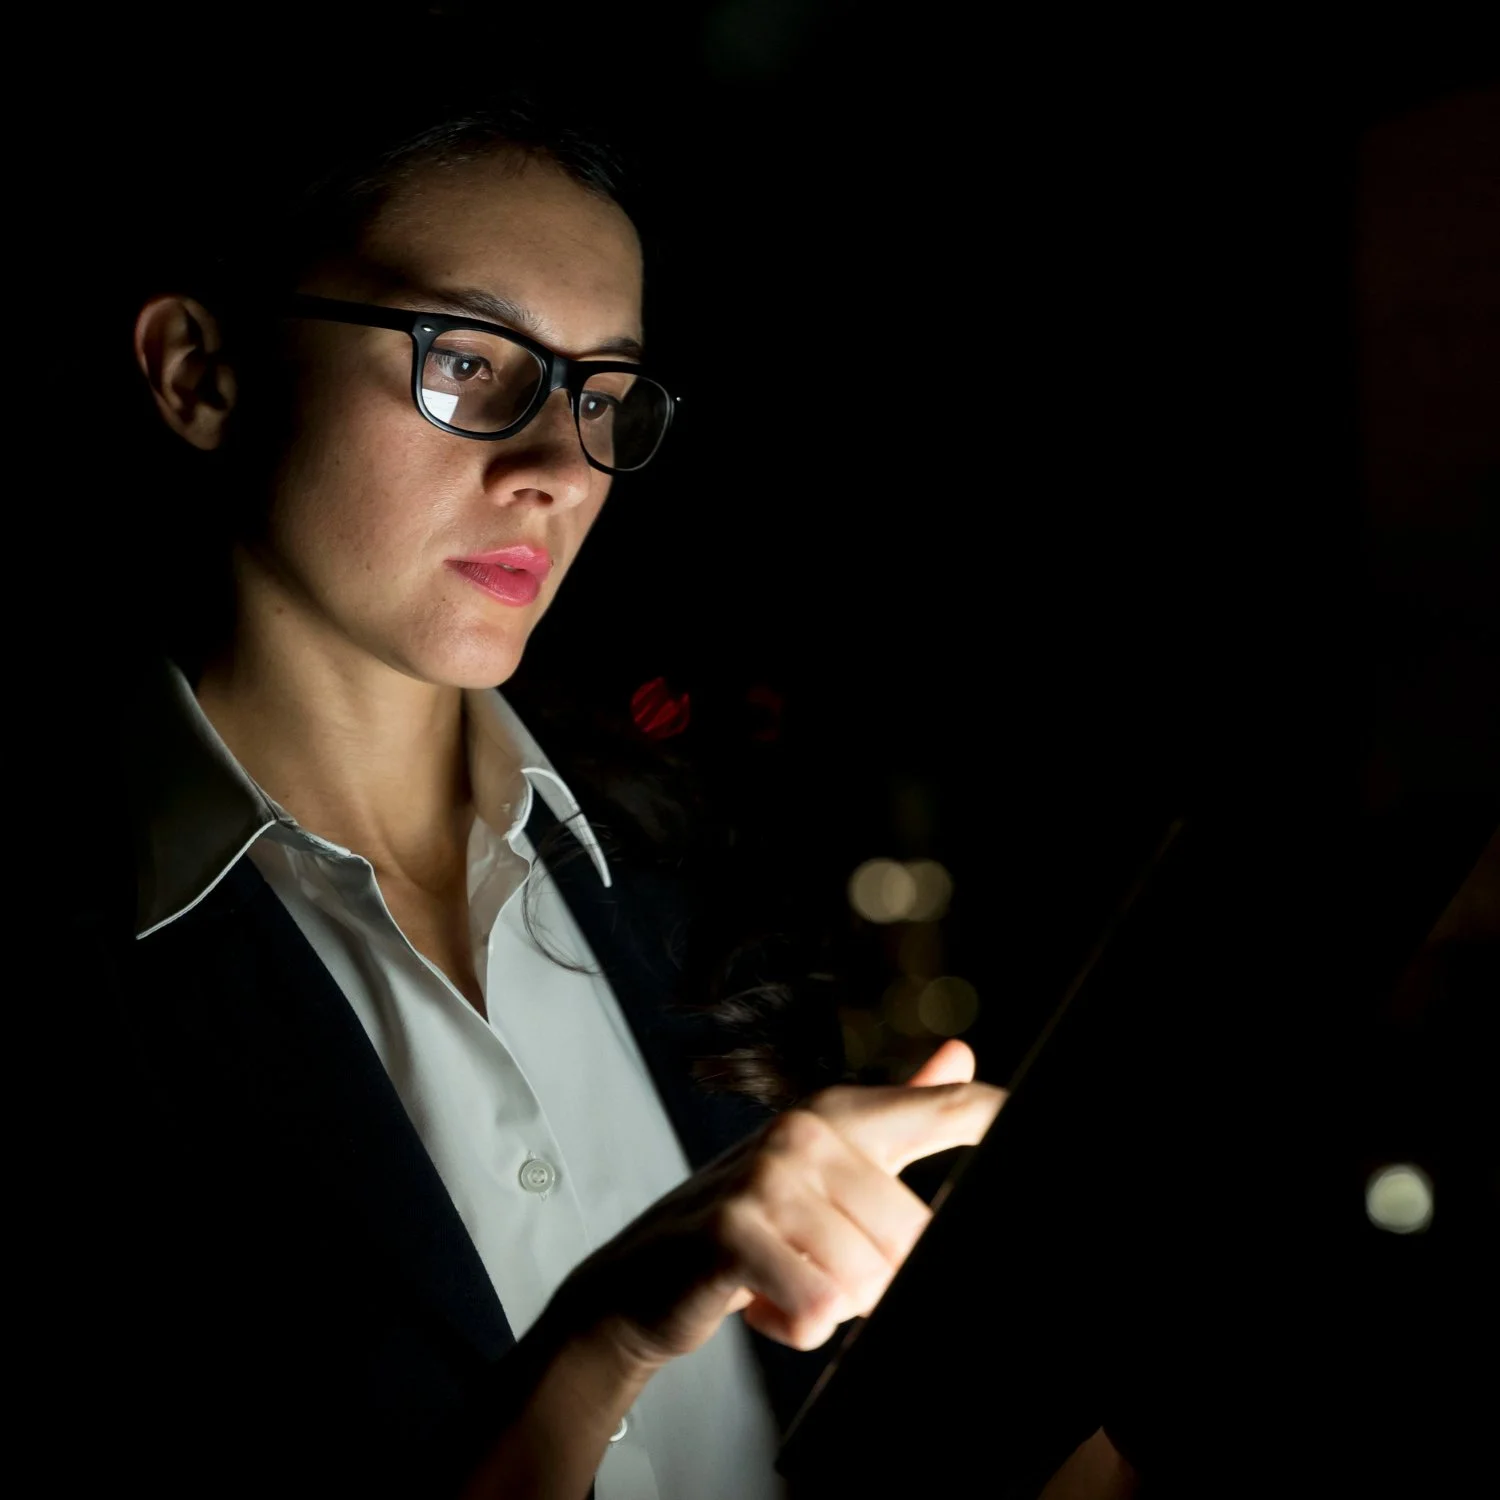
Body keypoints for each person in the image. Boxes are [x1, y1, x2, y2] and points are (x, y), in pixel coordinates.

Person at [66, 92, 1008, 1499]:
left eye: (603, 395)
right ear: (200, 372)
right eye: (466, 361)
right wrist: (607, 1337)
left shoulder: (696, 882)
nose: (559, 471)